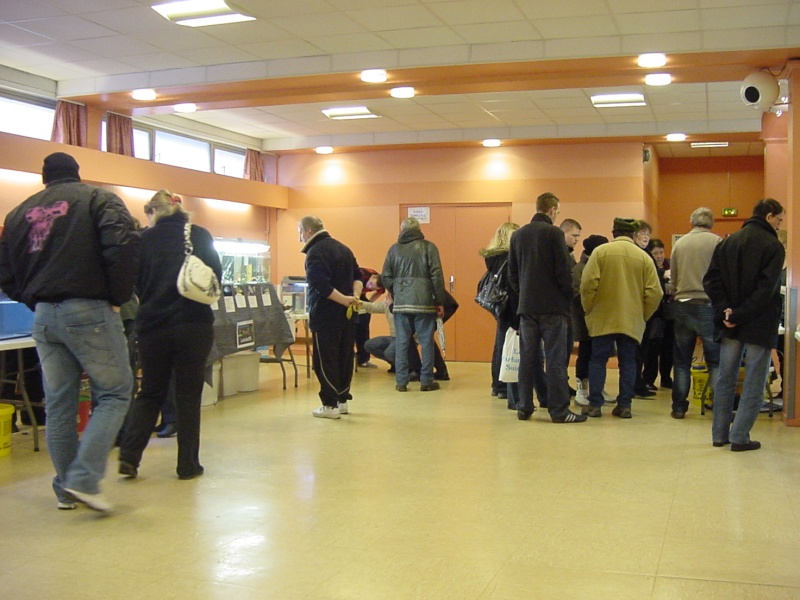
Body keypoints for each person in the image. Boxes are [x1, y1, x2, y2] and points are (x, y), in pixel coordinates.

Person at [0, 152, 139, 512]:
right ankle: (84, 480)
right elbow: (122, 245)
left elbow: (4, 270)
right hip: (90, 309)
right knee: (116, 392)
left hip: (44, 317)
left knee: (59, 406)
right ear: (76, 174)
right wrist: (118, 297)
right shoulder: (98, 199)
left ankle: (65, 490)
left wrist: (32, 299)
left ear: (44, 178)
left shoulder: (17, 215)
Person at [118, 190, 221, 479]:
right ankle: (187, 465)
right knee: (188, 396)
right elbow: (215, 276)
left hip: (153, 327)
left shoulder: (141, 240)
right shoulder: (199, 235)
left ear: (152, 212)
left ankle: (129, 456)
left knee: (150, 392)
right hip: (194, 325)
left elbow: (132, 284)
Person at [703, 198, 785, 451]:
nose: (780, 224)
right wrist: (739, 313)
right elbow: (766, 290)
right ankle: (739, 436)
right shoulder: (773, 246)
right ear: (769, 216)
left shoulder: (728, 242)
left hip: (730, 324)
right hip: (758, 323)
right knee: (754, 380)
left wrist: (727, 311)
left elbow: (711, 280)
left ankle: (719, 434)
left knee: (726, 377)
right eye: (779, 219)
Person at [508, 192, 586, 423]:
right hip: (553, 308)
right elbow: (563, 272)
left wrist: (524, 294)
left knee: (528, 358)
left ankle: (524, 407)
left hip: (527, 308)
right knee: (554, 358)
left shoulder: (518, 235)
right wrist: (568, 296)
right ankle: (559, 410)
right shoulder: (554, 233)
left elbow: (512, 274)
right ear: (552, 210)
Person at [580, 218, 663, 418]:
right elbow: (655, 293)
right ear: (634, 235)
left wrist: (589, 309)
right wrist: (642, 314)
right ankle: (624, 405)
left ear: (613, 232)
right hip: (631, 319)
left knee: (598, 360)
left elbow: (588, 284)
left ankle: (595, 405)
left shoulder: (600, 252)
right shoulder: (643, 257)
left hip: (603, 317)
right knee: (628, 362)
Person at [298, 216, 361, 418]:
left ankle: (330, 405)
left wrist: (343, 299)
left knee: (325, 360)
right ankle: (342, 400)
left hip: (326, 315)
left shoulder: (315, 252)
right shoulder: (344, 248)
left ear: (308, 231)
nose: (299, 237)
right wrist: (354, 297)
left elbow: (321, 285)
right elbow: (359, 277)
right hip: (348, 315)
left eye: (299, 232)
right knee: (345, 356)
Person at [382, 217, 446, 393]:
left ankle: (401, 382)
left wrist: (397, 292)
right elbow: (436, 276)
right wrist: (439, 301)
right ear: (418, 229)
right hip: (424, 303)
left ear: (401, 229)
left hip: (401, 304)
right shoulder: (429, 247)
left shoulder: (393, 250)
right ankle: (426, 381)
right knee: (426, 342)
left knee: (402, 342)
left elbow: (385, 277)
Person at [668, 208, 721, 419]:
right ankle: (719, 407)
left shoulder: (679, 244)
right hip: (708, 305)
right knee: (715, 361)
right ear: (711, 223)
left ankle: (679, 407)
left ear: (691, 221)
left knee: (681, 361)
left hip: (683, 304)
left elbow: (673, 278)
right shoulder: (717, 242)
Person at [479, 222, 520, 400]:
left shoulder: (493, 258)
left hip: (498, 304)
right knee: (507, 344)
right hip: (509, 304)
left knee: (500, 344)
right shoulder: (508, 258)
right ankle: (504, 385)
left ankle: (497, 384)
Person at [571, 234, 609, 406]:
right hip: (584, 319)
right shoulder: (580, 269)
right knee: (585, 354)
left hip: (599, 320)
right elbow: (579, 296)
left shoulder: (600, 266)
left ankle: (597, 388)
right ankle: (581, 388)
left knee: (599, 355)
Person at [641, 238, 674, 391]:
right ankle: (648, 379)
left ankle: (666, 378)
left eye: (661, 252)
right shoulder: (649, 268)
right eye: (656, 253)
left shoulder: (671, 265)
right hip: (655, 315)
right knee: (652, 349)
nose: (659, 256)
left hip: (671, 313)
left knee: (669, 348)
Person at [355, 267, 383, 368]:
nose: (370, 287)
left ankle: (363, 359)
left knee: (363, 325)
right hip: (350, 292)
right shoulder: (363, 274)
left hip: (361, 296)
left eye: (372, 288)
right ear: (372, 277)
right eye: (370, 284)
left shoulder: (381, 282)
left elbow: (378, 293)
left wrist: (369, 304)